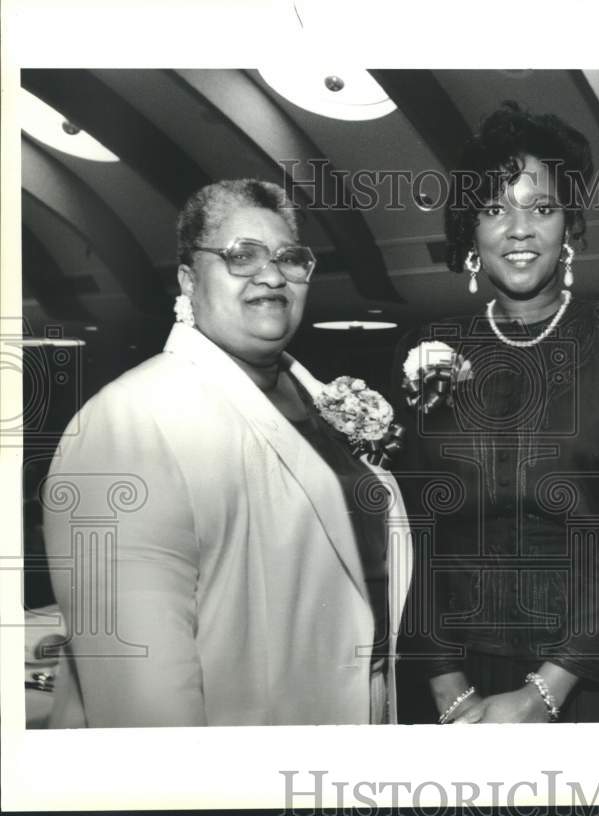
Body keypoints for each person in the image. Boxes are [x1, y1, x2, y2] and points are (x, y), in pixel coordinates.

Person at [42, 179, 411, 727]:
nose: (271, 275)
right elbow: (143, 706)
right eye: (242, 256)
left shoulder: (313, 397)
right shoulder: (128, 422)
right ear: (189, 280)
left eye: (290, 258)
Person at [393, 102, 599, 723]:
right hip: (461, 667)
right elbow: (416, 532)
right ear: (470, 230)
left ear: (569, 225)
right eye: (495, 209)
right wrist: (447, 683)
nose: (518, 230)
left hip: (594, 671)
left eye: (541, 208)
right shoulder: (432, 347)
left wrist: (543, 693)